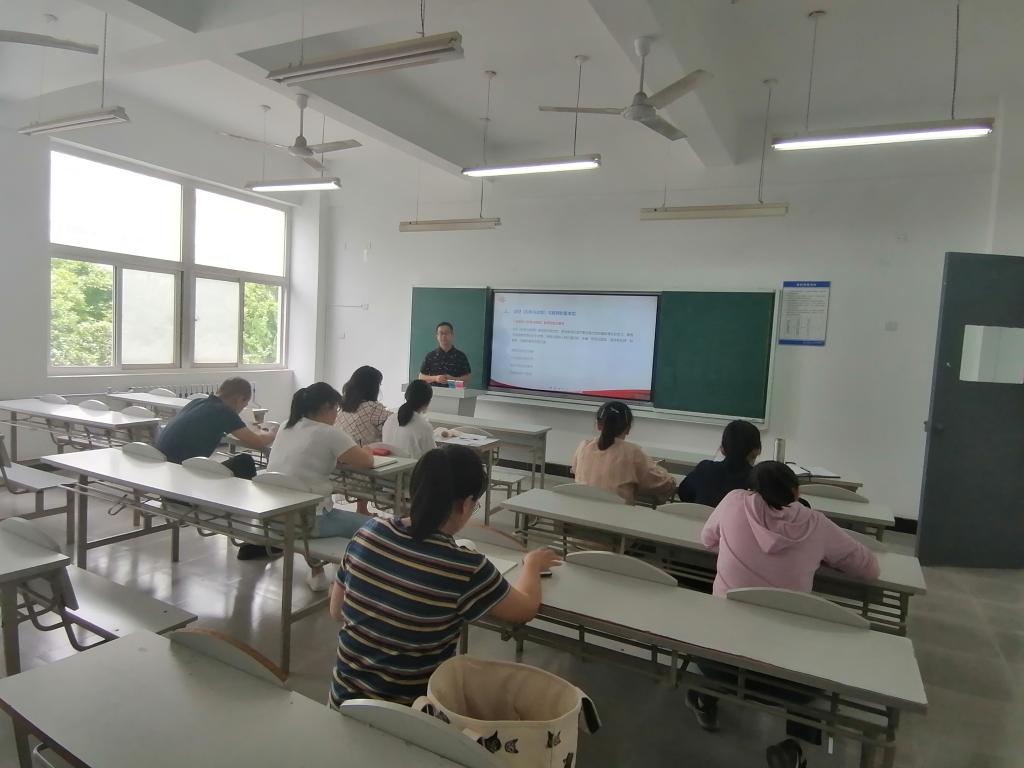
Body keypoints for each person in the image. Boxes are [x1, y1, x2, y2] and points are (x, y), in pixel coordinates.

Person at [328, 444, 561, 707]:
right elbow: (524, 610)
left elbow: (337, 611)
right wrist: (531, 564)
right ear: (466, 504)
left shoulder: (368, 532)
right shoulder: (466, 567)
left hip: (343, 702)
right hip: (411, 713)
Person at [689, 461, 880, 766]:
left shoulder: (733, 502)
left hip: (716, 659)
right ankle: (796, 747)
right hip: (790, 677)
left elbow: (706, 539)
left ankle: (706, 696)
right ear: (796, 492)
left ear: (752, 489)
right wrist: (820, 556)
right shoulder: (816, 524)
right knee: (819, 654)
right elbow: (869, 569)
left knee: (721, 623)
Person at [267, 382, 375, 592]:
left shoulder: (286, 425)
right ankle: (351, 577)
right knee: (374, 527)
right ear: (327, 406)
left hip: (275, 518)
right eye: (336, 409)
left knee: (316, 505)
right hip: (309, 522)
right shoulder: (329, 433)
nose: (336, 415)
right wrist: (367, 451)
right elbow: (366, 462)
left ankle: (317, 572)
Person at [155, 377, 276, 480]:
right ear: (240, 399)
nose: (241, 410)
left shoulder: (197, 402)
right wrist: (273, 431)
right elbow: (258, 442)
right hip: (185, 476)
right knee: (245, 461)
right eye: (244, 405)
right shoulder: (224, 412)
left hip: (165, 472)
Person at [570, 401, 676, 504]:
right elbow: (665, 483)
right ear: (628, 428)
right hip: (617, 514)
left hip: (582, 510)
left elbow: (576, 472)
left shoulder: (584, 446)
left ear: (598, 425)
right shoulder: (632, 453)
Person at [334, 366, 390, 516]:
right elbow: (391, 423)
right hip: (362, 469)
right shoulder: (373, 407)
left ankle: (362, 509)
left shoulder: (343, 406)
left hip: (339, 468)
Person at [677, 420, 762, 506]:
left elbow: (684, 494)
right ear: (756, 451)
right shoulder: (759, 480)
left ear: (722, 449)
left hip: (703, 515)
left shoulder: (704, 469)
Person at [382, 380, 437, 460]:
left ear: (407, 396)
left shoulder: (390, 419)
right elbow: (432, 457)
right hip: (412, 467)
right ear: (427, 401)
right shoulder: (424, 426)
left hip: (391, 466)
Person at [418, 321, 471, 386]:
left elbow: (467, 378)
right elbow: (421, 377)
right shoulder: (430, 356)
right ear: (437, 336)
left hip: (455, 391)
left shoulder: (461, 356)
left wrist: (453, 379)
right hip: (434, 391)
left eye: (446, 333)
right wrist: (436, 378)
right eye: (441, 333)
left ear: (452, 335)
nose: (444, 336)